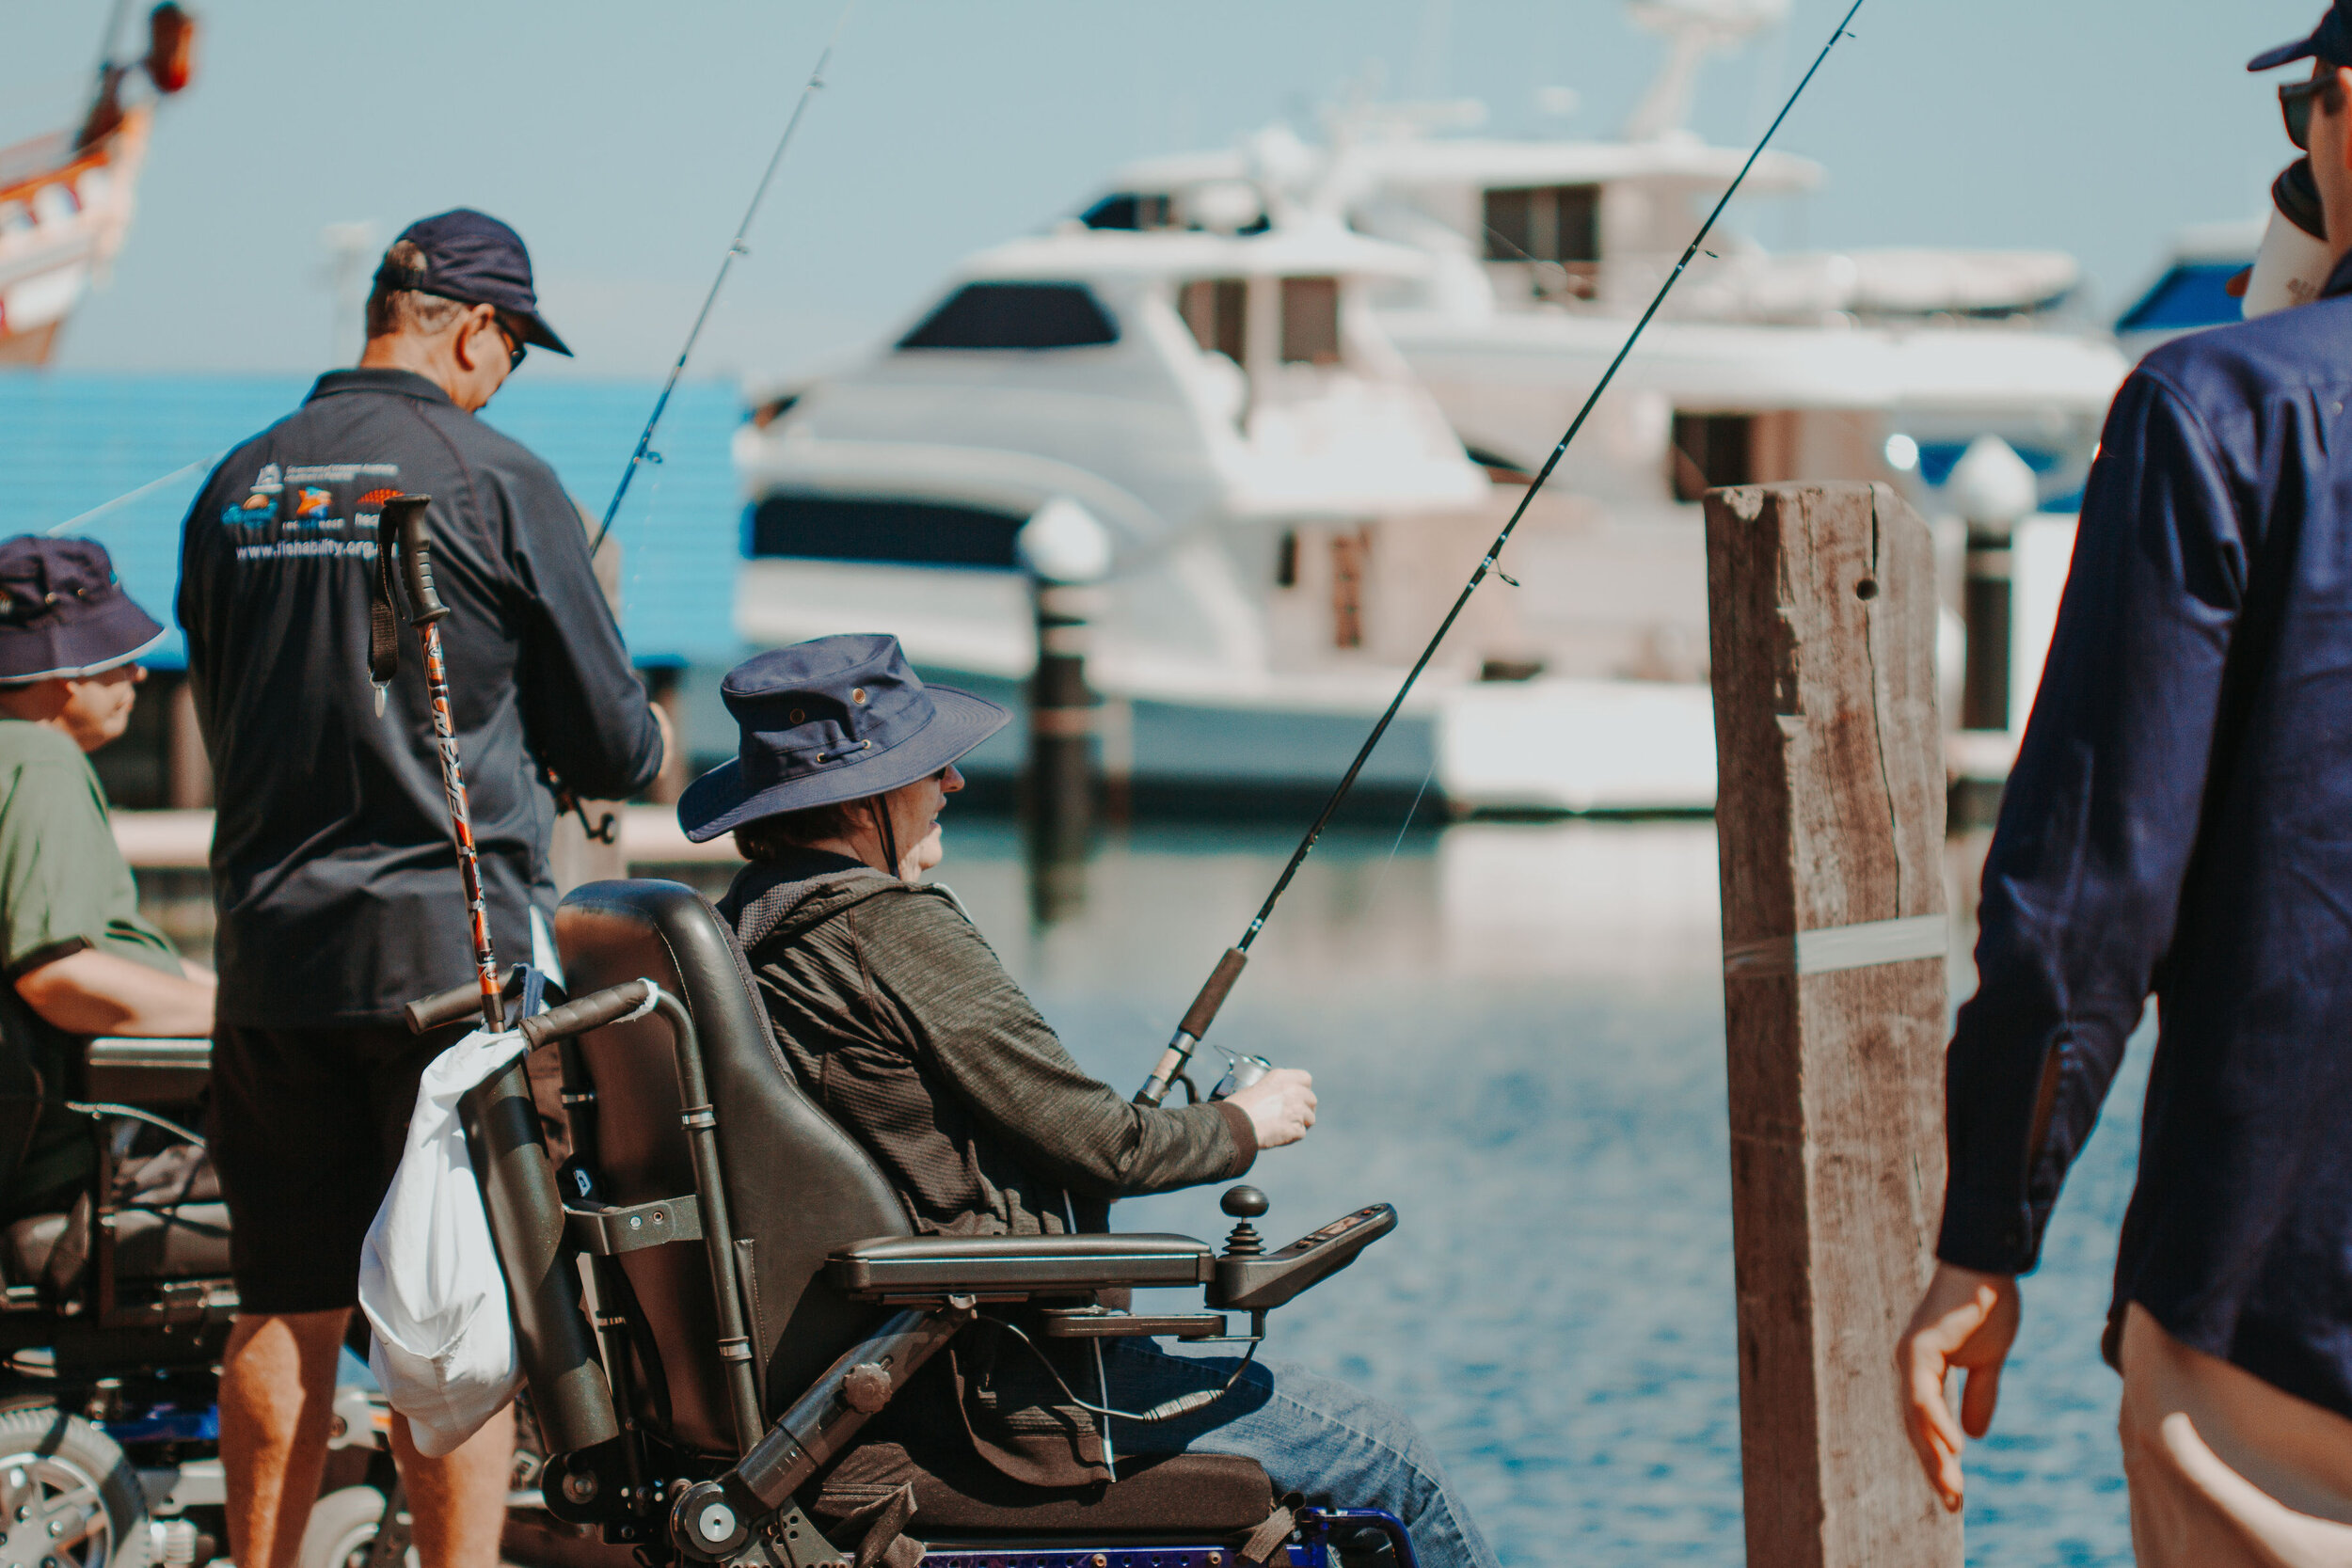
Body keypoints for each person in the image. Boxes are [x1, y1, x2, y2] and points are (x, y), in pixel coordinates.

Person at [679, 634, 1497, 1568]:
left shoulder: (743, 934)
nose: (952, 782)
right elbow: (1105, 1145)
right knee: (1389, 1455)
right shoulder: (885, 929)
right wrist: (1247, 1122)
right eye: (928, 766)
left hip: (859, 1383)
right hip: (1008, 1394)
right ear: (865, 799)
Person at [1894, 8, 2352, 1561]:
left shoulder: (2224, 411)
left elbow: (2088, 899)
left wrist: (1985, 1236)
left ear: (2340, 114)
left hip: (2283, 1306)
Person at [176, 211, 669, 1568]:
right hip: (449, 969)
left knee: (281, 1300)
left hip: (271, 961)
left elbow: (225, 708)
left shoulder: (236, 483)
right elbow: (614, 743)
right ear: (475, 328)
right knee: (457, 1306)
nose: (505, 377)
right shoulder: (496, 477)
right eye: (514, 350)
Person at [0, 537, 215, 1220]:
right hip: (62, 1169)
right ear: (67, 669)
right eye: (118, 656)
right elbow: (57, 974)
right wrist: (251, 1022)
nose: (139, 674)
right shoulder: (41, 759)